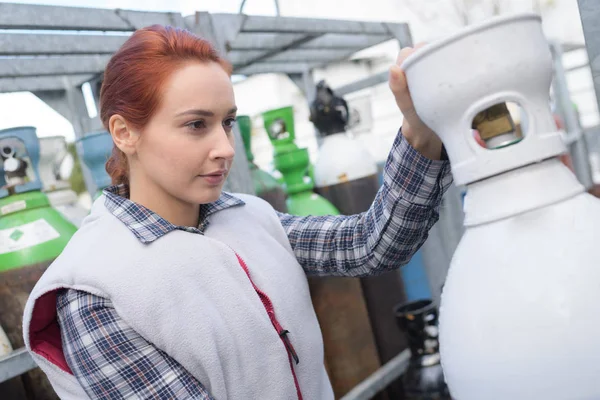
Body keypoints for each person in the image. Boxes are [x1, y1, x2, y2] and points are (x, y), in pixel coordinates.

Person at [23, 25, 452, 399]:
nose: (226, 148)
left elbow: (370, 244)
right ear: (125, 132)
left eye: (228, 121)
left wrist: (418, 134)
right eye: (196, 125)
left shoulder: (246, 216)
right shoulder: (93, 292)